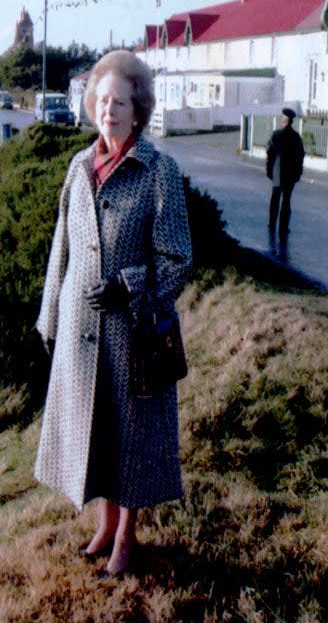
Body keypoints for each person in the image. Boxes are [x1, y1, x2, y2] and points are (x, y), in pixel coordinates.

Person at [34, 50, 192, 578]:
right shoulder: (80, 166)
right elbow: (64, 245)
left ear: (138, 109)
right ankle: (103, 524)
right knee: (94, 430)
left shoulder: (160, 170)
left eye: (119, 102)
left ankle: (127, 536)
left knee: (134, 437)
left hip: (135, 332)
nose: (109, 110)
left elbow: (177, 257)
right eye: (102, 100)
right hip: (82, 329)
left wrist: (129, 286)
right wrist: (50, 314)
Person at [265, 107, 305, 237]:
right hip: (291, 174)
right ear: (292, 121)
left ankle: (272, 223)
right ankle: (283, 227)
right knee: (286, 200)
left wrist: (269, 169)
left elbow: (270, 153)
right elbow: (300, 156)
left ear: (284, 120)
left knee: (275, 198)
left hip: (277, 172)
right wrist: (298, 173)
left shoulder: (276, 135)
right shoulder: (296, 137)